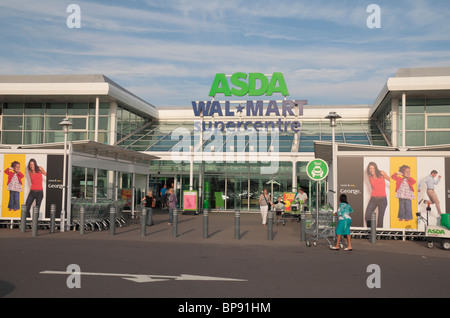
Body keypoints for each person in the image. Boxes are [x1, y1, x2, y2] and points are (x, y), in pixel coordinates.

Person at [365, 162, 389, 228]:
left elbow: (390, 180)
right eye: (370, 168)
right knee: (367, 216)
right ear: (368, 170)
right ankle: (371, 232)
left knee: (380, 219)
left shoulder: (381, 173)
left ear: (375, 168)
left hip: (383, 200)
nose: (372, 170)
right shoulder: (370, 177)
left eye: (373, 168)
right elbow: (373, 188)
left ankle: (379, 236)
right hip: (373, 199)